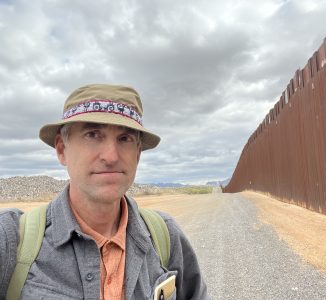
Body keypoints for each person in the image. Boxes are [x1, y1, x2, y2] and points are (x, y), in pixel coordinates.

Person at [0, 84, 210, 299]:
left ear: (137, 154)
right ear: (62, 149)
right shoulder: (10, 239)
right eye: (93, 134)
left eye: (125, 138)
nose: (111, 156)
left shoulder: (165, 236)